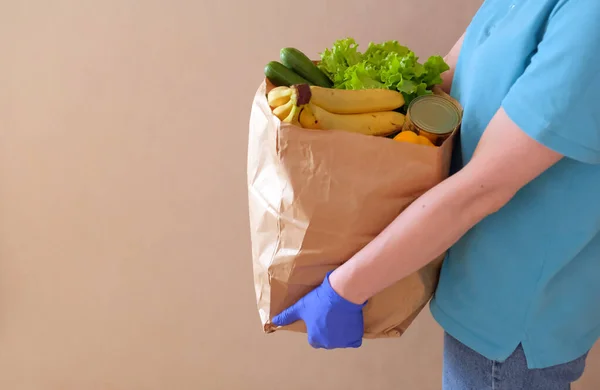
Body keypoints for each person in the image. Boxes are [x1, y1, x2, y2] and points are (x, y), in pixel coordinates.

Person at [271, 0, 600, 388]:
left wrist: (344, 289)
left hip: (513, 322)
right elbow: (442, 85)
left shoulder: (589, 21)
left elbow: (484, 188)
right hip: (473, 281)